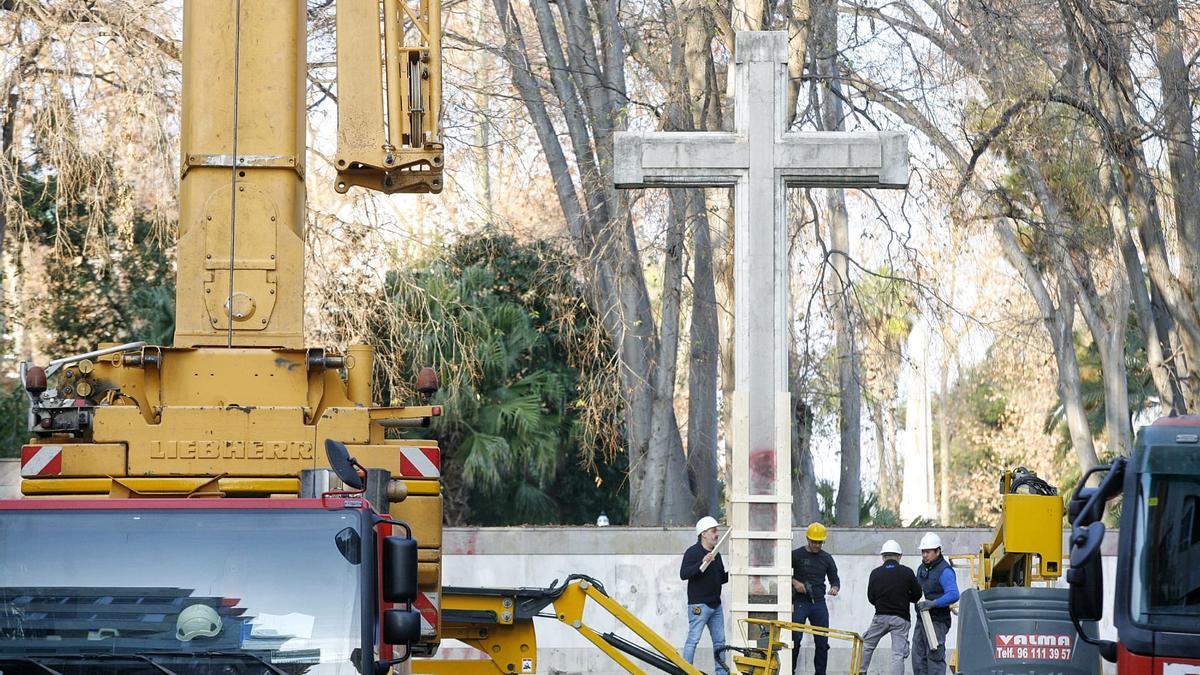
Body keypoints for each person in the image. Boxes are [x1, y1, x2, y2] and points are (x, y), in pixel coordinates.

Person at [859, 539, 922, 675]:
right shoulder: (907, 572)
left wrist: (882, 604)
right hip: (901, 619)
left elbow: (871, 597)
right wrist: (905, 598)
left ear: (883, 557)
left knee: (867, 645)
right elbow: (917, 595)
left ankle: (860, 671)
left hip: (880, 617)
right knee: (897, 654)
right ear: (899, 556)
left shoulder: (875, 573)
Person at [680, 515, 729, 675]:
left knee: (720, 642)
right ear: (704, 534)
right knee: (693, 640)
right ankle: (686, 670)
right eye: (714, 531)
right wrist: (702, 562)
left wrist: (734, 573)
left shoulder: (717, 555)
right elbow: (684, 574)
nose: (717, 534)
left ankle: (721, 673)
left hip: (716, 605)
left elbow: (720, 578)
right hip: (699, 605)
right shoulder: (693, 552)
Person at [791, 522, 840, 675]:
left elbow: (835, 580)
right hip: (800, 603)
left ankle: (820, 673)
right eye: (814, 542)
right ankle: (789, 670)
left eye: (820, 542)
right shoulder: (796, 555)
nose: (817, 545)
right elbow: (783, 573)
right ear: (807, 539)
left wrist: (834, 588)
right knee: (795, 639)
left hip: (819, 604)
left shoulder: (826, 558)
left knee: (822, 641)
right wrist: (795, 582)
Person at [912, 532, 959, 675]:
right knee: (918, 658)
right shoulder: (922, 569)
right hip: (922, 620)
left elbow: (953, 594)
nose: (924, 555)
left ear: (938, 551)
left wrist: (933, 604)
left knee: (935, 657)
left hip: (937, 621)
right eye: (923, 552)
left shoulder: (945, 571)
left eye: (928, 552)